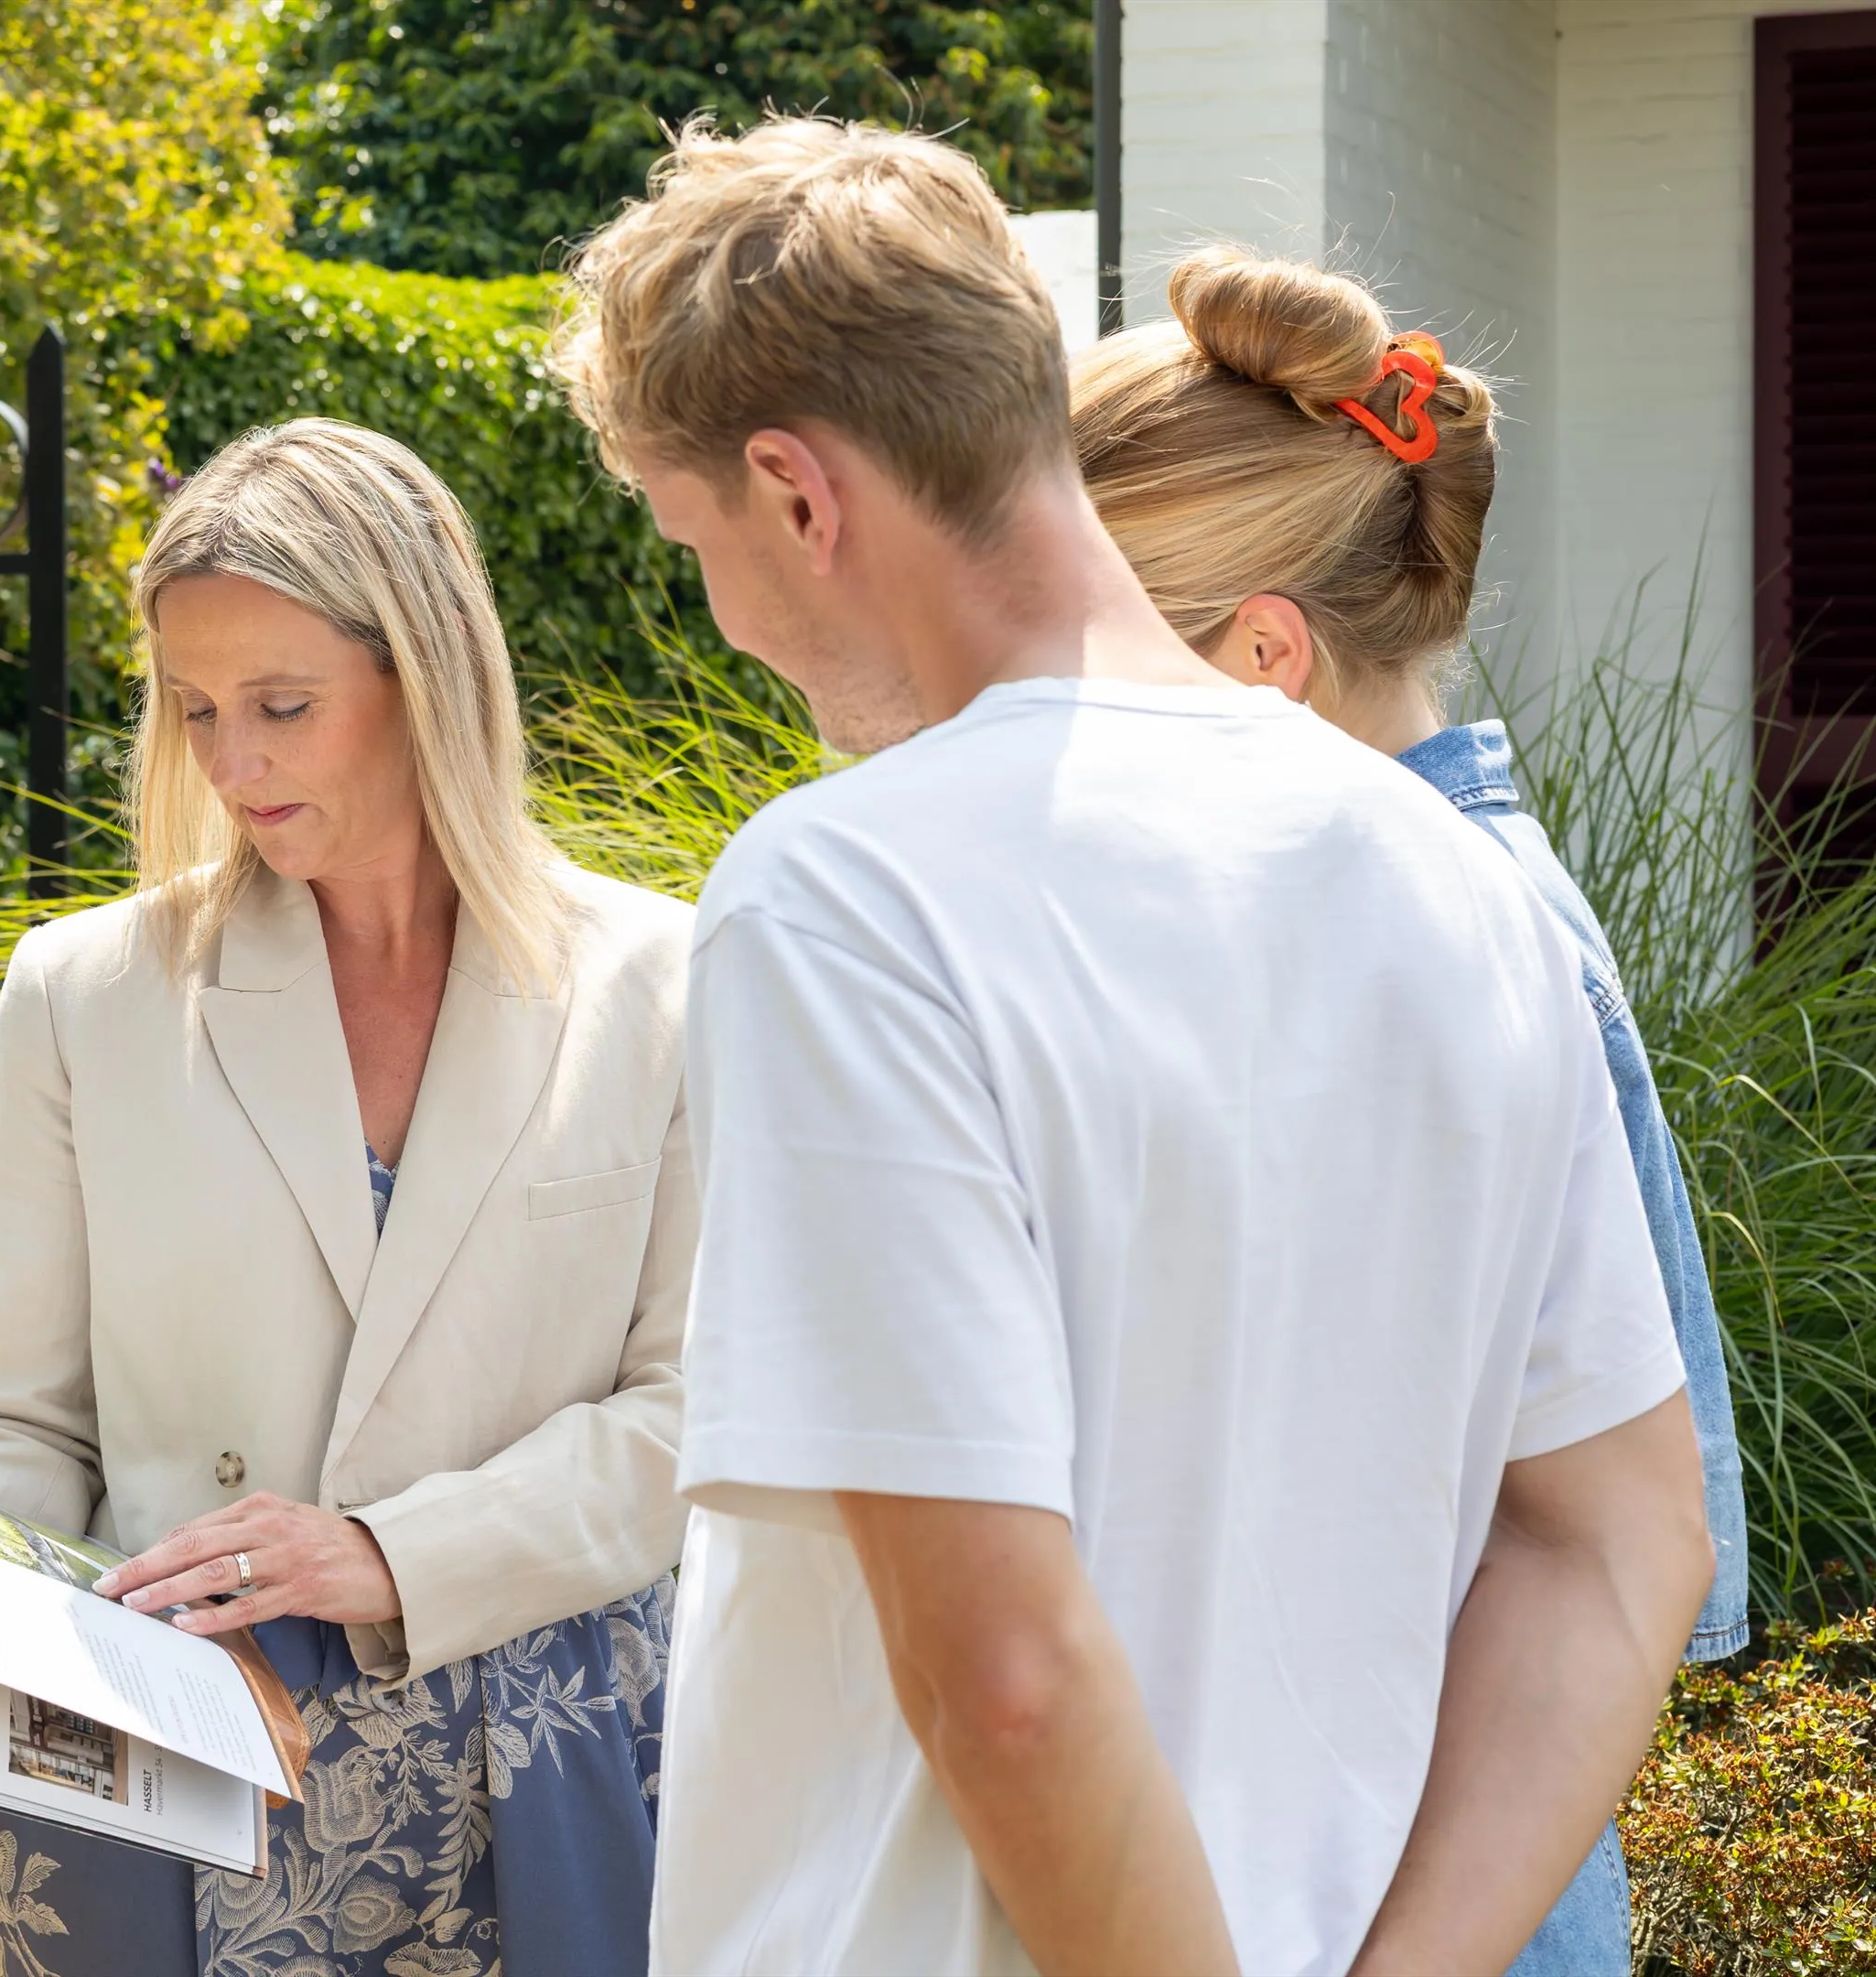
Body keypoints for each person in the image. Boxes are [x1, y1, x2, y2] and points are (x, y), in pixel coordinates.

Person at [547, 115, 1715, 1975]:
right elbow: (1626, 1542)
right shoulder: (1461, 880)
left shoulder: (844, 893)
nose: (729, 614)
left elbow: (1008, 1678)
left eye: (697, 542)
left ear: (794, 492)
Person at [0, 417, 696, 1977]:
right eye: (197, 711)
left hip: (545, 1772)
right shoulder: (88, 993)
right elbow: (14, 1420)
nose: (235, 764)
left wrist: (397, 1555)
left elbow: (701, 1412)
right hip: (165, 1767)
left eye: (283, 705)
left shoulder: (668, 980)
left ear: (427, 680)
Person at [1070, 245, 1752, 1977]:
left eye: (1072, 664)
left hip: (1426, 1898)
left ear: (1265, 658)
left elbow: (1648, 1553)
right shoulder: (1328, 935)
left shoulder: (1462, 948)